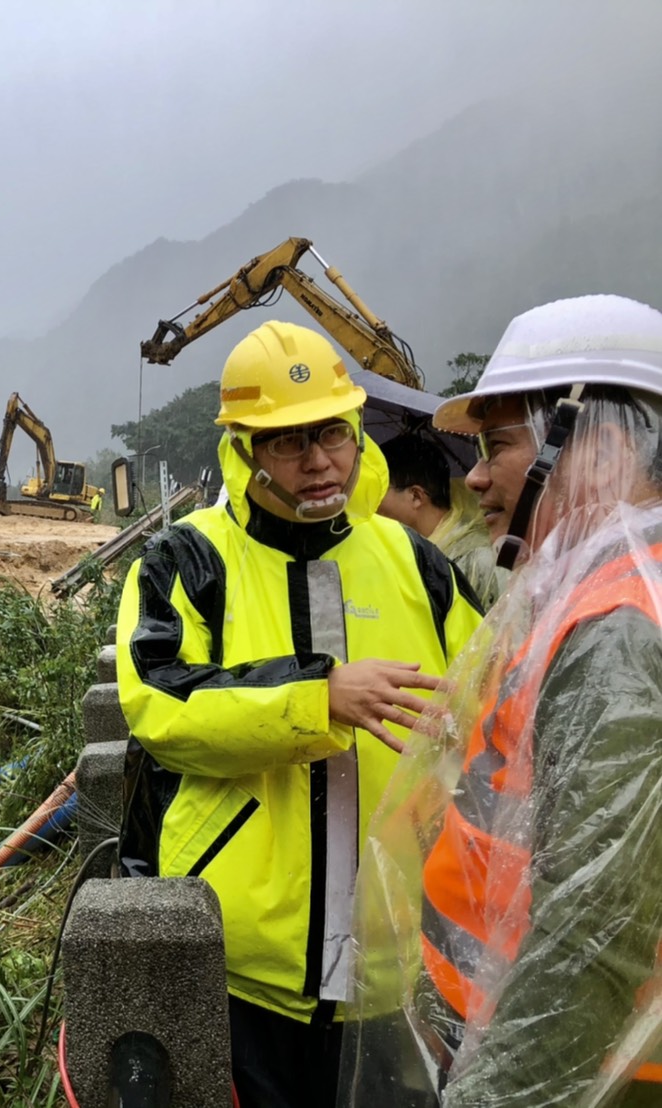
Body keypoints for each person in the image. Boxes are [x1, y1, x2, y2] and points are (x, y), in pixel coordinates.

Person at [116, 320, 483, 1108]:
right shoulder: (189, 559)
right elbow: (162, 704)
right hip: (240, 965)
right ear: (246, 448)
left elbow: (487, 701)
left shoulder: (416, 563)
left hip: (388, 965)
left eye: (332, 434)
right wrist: (319, 697)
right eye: (287, 442)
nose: (318, 460)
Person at [343, 294, 662, 1108]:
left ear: (598, 450)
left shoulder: (617, 627)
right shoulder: (584, 587)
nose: (474, 474)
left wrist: (494, 1095)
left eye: (498, 445)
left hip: (572, 1069)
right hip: (516, 1030)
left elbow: (592, 931)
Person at [377, 432, 506, 607]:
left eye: (378, 493)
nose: (371, 506)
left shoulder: (479, 561)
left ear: (416, 496)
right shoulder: (396, 554)